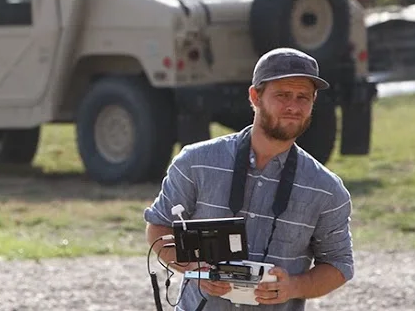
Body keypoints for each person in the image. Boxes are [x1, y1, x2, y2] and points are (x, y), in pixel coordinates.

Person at [144, 47, 355, 310]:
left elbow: (339, 265)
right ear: (255, 96)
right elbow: (159, 228)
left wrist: (293, 286)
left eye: (303, 97)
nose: (293, 106)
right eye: (283, 95)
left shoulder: (327, 189)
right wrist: (194, 268)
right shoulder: (196, 162)